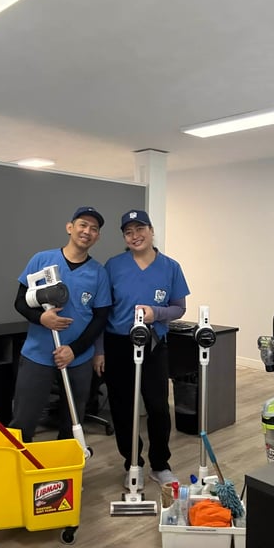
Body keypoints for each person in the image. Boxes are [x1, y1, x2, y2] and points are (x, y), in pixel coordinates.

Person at [94, 209, 190, 489]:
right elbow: (101, 311)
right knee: (123, 408)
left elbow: (179, 307)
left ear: (151, 231)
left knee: (158, 406)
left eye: (140, 229)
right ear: (124, 236)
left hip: (153, 344)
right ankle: (132, 462)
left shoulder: (170, 267)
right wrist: (99, 350)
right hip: (117, 344)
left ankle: (160, 465)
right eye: (128, 232)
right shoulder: (113, 266)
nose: (135, 236)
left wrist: (155, 313)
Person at [10, 206, 111, 442]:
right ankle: (17, 473)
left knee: (72, 424)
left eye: (93, 228)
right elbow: (19, 301)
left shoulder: (99, 273)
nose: (87, 231)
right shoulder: (42, 260)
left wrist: (74, 350)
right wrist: (41, 318)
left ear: (97, 236)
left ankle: (65, 475)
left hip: (78, 358)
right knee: (23, 421)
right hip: (38, 354)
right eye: (82, 225)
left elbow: (100, 318)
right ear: (70, 227)